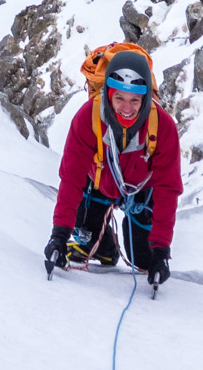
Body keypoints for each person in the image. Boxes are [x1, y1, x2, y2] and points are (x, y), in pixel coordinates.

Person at [43, 44, 181, 289]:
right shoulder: (88, 117)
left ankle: (132, 246)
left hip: (141, 192)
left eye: (134, 100)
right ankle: (102, 246)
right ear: (107, 94)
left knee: (145, 261)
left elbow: (167, 189)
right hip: (98, 183)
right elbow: (72, 179)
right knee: (84, 237)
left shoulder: (162, 127)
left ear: (146, 98)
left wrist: (161, 250)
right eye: (119, 98)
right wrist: (59, 235)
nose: (126, 108)